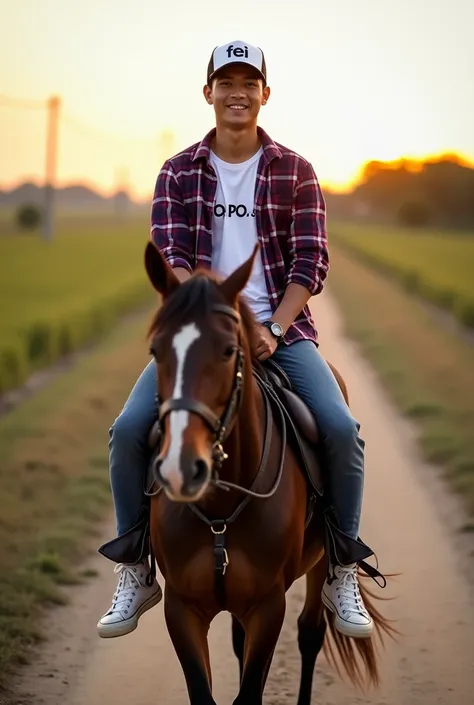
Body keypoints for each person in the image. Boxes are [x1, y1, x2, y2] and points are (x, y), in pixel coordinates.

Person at [97, 39, 375, 640]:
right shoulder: (177, 171)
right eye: (226, 83)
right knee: (126, 432)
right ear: (208, 94)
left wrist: (272, 327)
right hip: (202, 333)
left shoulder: (295, 170)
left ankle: (341, 570)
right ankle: (136, 569)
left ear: (265, 95)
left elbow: (311, 262)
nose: (237, 93)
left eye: (249, 84)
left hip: (282, 331)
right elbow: (170, 258)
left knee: (340, 430)